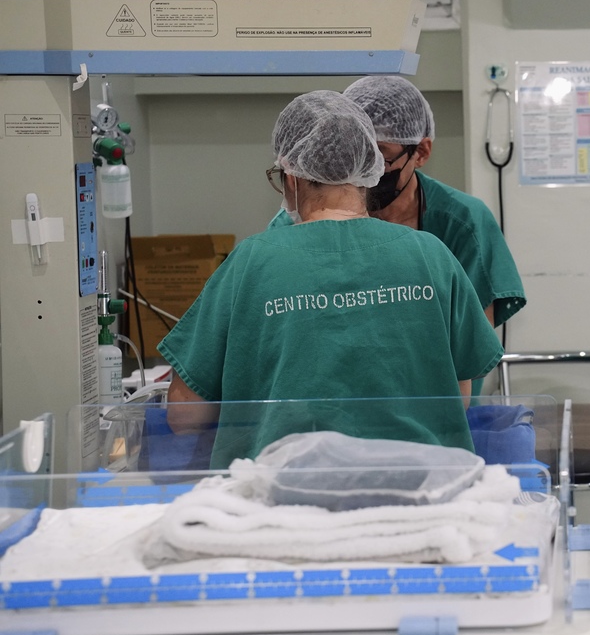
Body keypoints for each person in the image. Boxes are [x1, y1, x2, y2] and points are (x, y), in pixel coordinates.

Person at [163, 91, 504, 466]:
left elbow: (185, 415)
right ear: (370, 171)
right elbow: (458, 398)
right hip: (419, 489)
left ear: (292, 176)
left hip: (283, 493)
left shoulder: (250, 262)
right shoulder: (431, 255)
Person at [269, 76, 525, 398]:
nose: (370, 168)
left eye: (380, 154)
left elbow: (472, 349)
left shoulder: (461, 225)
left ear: (421, 151)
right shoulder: (289, 228)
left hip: (432, 403)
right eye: (357, 152)